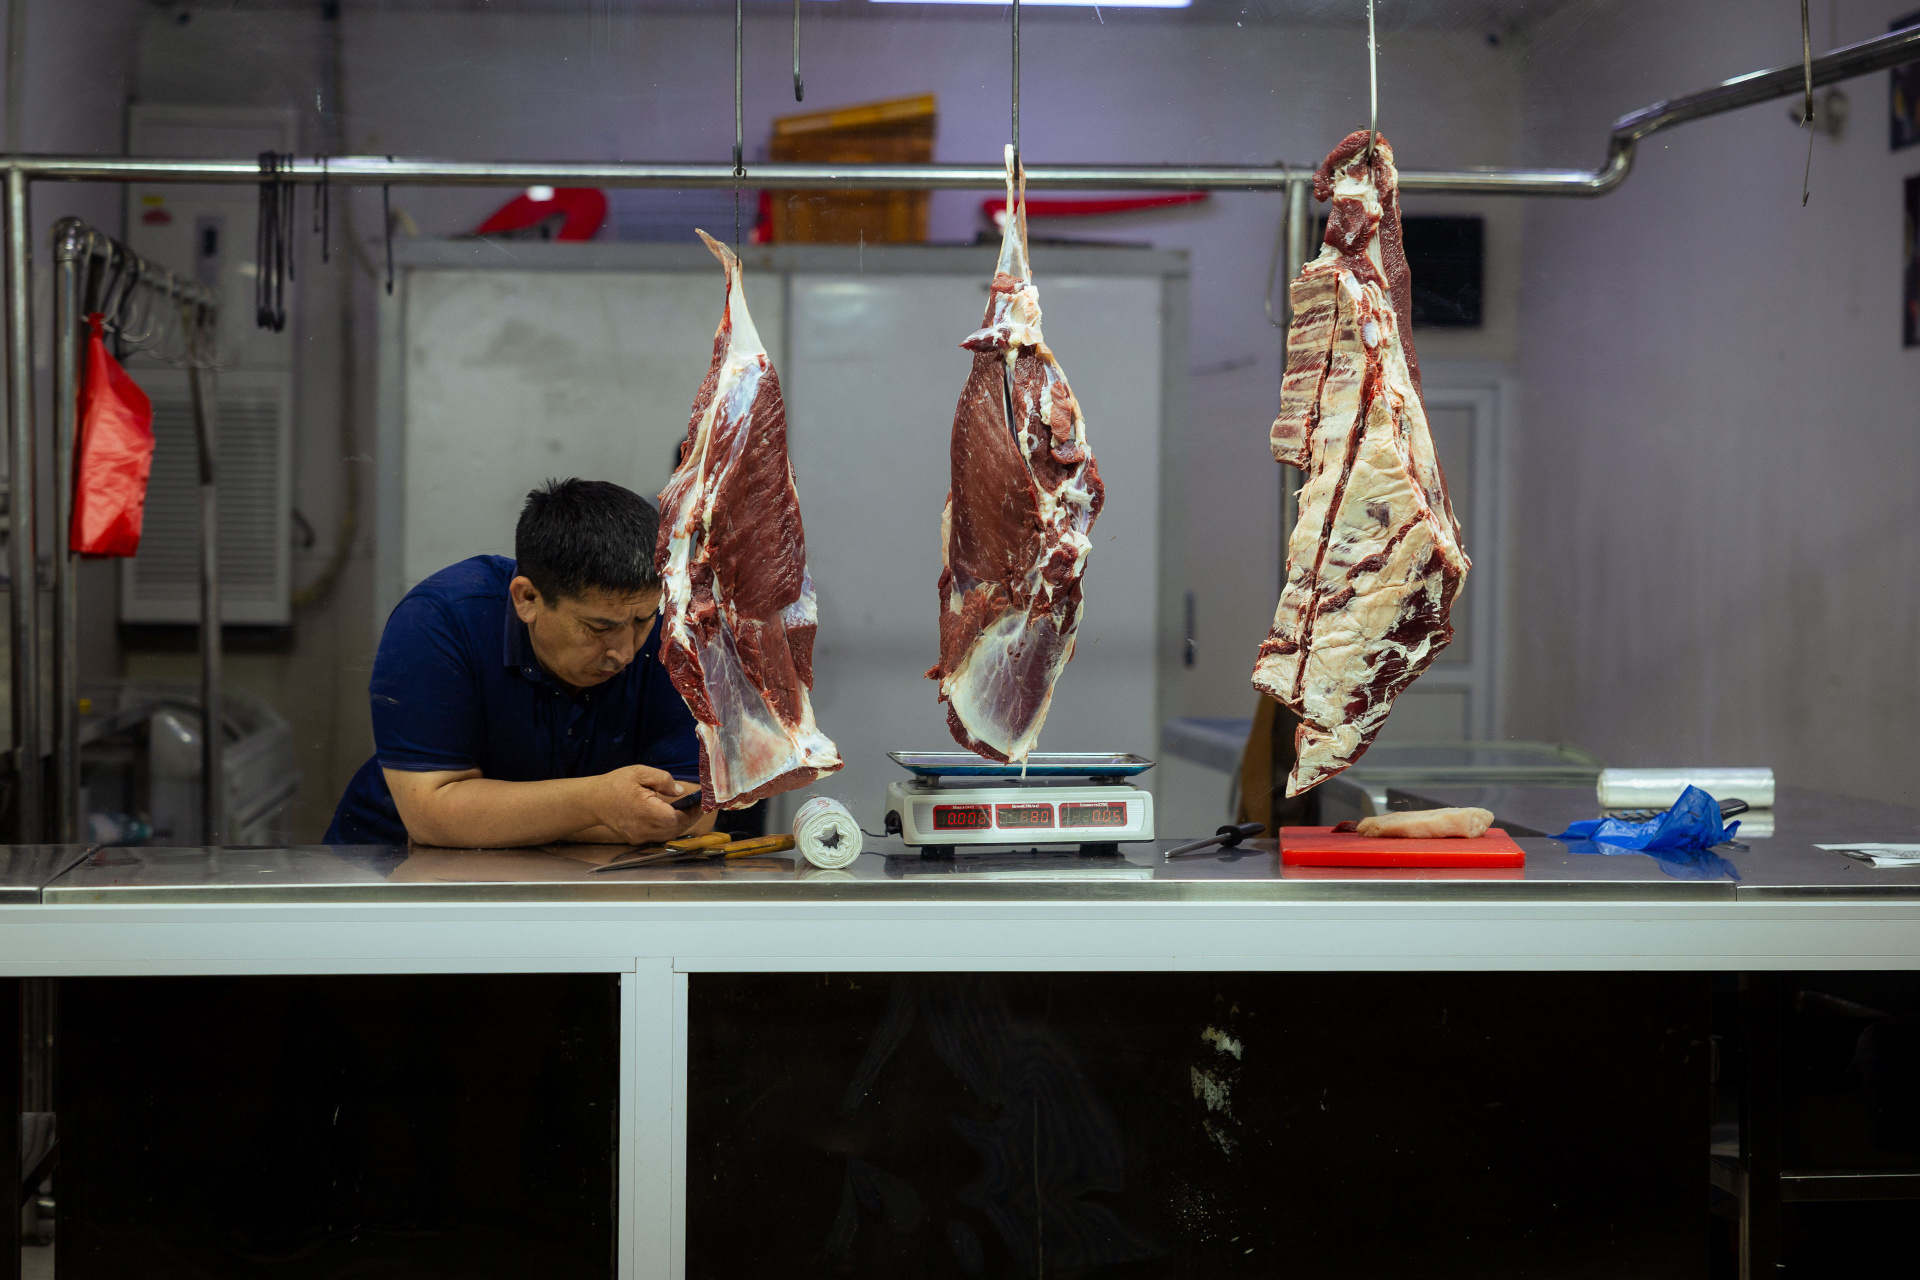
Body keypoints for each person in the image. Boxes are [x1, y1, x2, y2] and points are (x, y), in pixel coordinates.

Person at [326, 478, 714, 848]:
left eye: (642, 621)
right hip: (387, 866)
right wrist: (596, 804)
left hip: (579, 870)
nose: (624, 653)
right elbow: (432, 815)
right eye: (599, 628)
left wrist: (495, 822)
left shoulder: (671, 634)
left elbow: (693, 812)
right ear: (527, 599)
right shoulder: (438, 622)